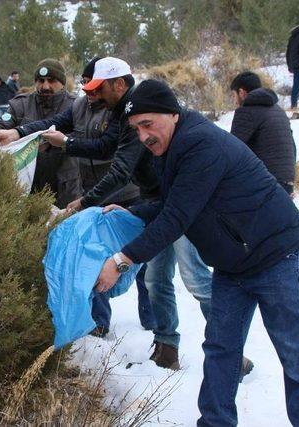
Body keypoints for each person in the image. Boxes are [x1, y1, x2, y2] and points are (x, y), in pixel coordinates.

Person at [96, 79, 299, 427]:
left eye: (148, 124)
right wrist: (133, 211)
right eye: (136, 128)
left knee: (298, 354)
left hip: (279, 255)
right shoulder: (170, 148)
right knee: (221, 350)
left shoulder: (200, 143)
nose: (143, 135)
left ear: (172, 114)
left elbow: (177, 216)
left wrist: (121, 260)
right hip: (233, 264)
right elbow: (174, 202)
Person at [53, 57, 229, 372]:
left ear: (119, 84)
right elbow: (107, 149)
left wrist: (83, 202)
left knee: (197, 279)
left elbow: (121, 169)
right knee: (156, 277)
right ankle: (166, 347)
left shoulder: (143, 112)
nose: (95, 95)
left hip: (183, 203)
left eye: (100, 88)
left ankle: (231, 348)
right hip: (155, 202)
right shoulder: (123, 115)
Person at [0, 58, 153, 336]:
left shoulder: (121, 111)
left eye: (96, 89)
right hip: (97, 196)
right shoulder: (80, 106)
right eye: (87, 87)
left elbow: (108, 153)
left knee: (149, 269)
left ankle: (156, 327)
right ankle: (98, 324)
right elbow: (53, 123)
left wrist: (67, 146)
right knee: (94, 259)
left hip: (128, 196)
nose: (92, 94)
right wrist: (19, 132)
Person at [0, 59, 82, 208]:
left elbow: (84, 138)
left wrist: (52, 144)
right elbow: (1, 127)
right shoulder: (20, 104)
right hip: (27, 185)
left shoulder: (76, 105)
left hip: (66, 185)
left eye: (51, 81)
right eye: (40, 81)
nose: (45, 86)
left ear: (62, 82)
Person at [230, 71, 297, 195]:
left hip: (265, 183)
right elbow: (292, 147)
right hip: (286, 182)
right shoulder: (278, 110)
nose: (234, 102)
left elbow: (232, 150)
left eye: (234, 95)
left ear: (242, 93)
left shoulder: (247, 111)